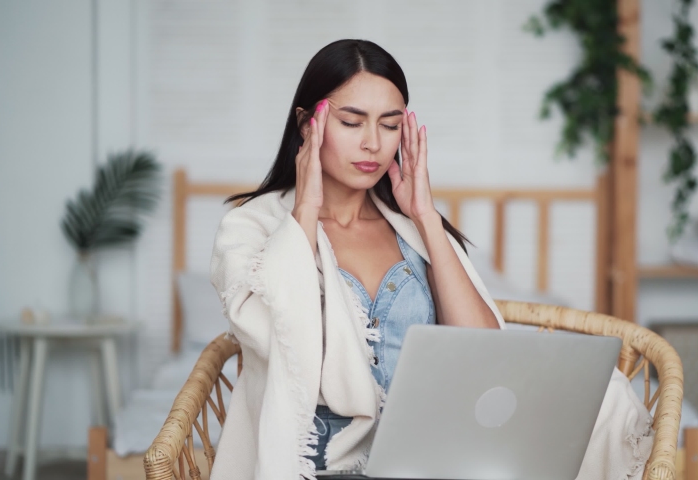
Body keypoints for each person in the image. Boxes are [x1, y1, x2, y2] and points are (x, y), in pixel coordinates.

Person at [209, 39, 505, 479]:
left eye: (389, 126)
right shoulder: (253, 227)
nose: (372, 144)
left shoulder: (411, 227)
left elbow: (486, 355)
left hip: (425, 455)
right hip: (319, 464)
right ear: (308, 123)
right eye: (351, 122)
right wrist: (305, 212)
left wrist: (425, 217)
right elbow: (275, 339)